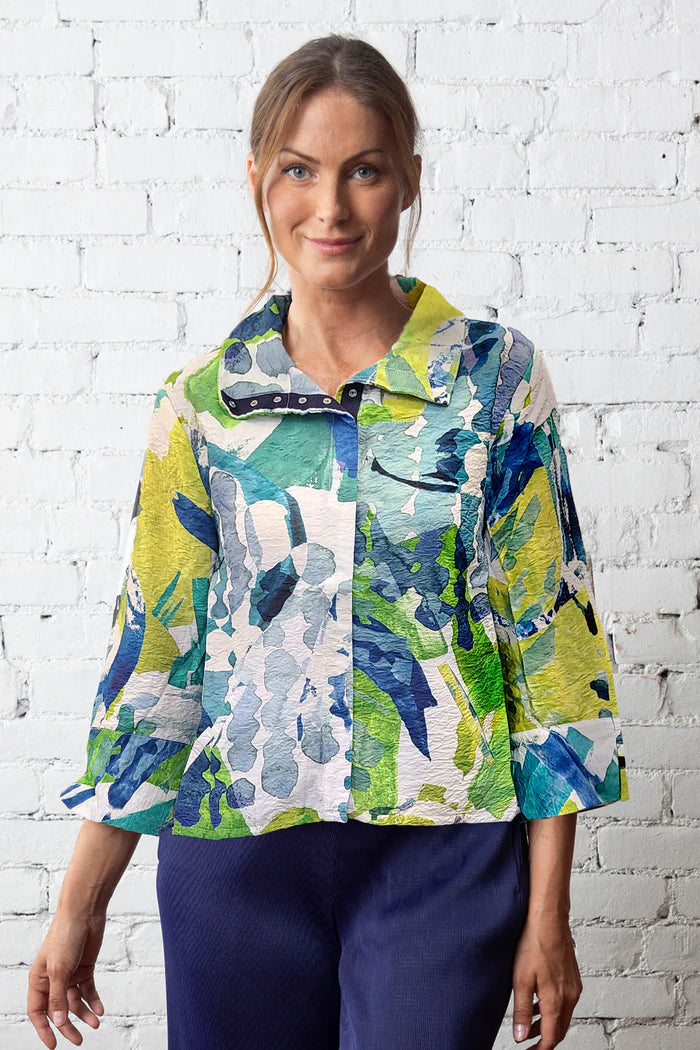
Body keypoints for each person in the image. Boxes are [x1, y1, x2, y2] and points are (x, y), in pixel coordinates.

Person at [28, 32, 628, 1050]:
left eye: (365, 170)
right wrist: (79, 905)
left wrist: (548, 913)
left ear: (409, 183)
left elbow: (552, 647)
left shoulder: (494, 382)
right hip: (235, 857)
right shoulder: (203, 407)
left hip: (445, 854)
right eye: (300, 170)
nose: (332, 207)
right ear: (257, 180)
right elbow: (157, 657)